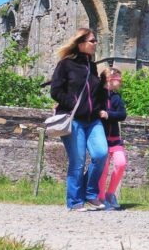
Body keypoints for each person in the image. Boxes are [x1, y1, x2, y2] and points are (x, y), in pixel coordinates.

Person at [50, 28, 107, 211]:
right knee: (78, 161)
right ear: (81, 43)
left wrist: (101, 104)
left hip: (93, 120)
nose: (95, 43)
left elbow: (95, 92)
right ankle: (74, 201)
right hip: (73, 119)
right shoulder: (65, 65)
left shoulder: (92, 66)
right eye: (92, 41)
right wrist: (73, 103)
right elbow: (56, 91)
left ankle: (90, 194)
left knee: (101, 154)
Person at [95, 67, 127, 210]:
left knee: (121, 163)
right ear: (110, 79)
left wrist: (109, 115)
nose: (120, 82)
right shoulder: (97, 95)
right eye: (118, 79)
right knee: (104, 168)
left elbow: (122, 115)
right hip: (101, 138)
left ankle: (110, 193)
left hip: (114, 138)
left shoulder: (117, 97)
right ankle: (101, 198)